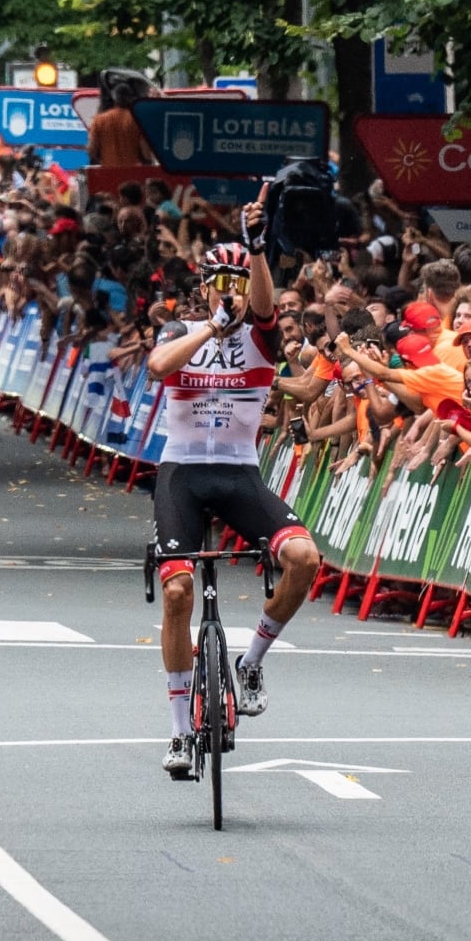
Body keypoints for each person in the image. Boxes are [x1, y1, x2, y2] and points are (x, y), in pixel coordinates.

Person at [144, 243, 323, 778]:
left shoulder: (261, 339)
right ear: (204, 288)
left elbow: (266, 310)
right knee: (178, 593)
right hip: (183, 474)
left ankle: (249, 665)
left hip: (238, 474)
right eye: (221, 280)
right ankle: (179, 730)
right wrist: (209, 330)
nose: (231, 290)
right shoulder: (179, 333)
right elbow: (157, 367)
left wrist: (261, 247)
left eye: (239, 281)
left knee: (305, 558)